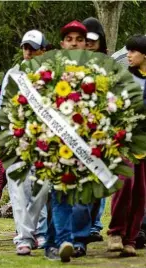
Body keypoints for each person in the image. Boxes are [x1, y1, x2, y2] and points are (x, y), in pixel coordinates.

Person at [2, 30, 50, 256]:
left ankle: (39, 232)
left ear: (43, 50)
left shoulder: (51, 75)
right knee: (18, 190)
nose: (28, 52)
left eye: (33, 48)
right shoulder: (13, 74)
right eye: (25, 48)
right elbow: (3, 107)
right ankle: (23, 237)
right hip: (16, 139)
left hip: (42, 141)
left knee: (40, 188)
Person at [43, 20, 88, 262]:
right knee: (60, 193)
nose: (74, 43)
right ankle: (64, 241)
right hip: (57, 143)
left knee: (80, 196)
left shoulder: (96, 73)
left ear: (85, 44)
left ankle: (54, 242)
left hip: (86, 144)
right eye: (69, 39)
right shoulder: (51, 72)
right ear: (62, 44)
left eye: (79, 40)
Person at [107, 34, 146, 257]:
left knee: (141, 192)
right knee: (125, 184)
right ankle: (115, 232)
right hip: (124, 141)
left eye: (133, 51)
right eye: (128, 51)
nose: (128, 55)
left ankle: (130, 238)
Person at [81, 17, 108, 245]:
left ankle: (94, 225)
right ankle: (81, 226)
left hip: (100, 132)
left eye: (93, 40)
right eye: (85, 39)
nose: (88, 44)